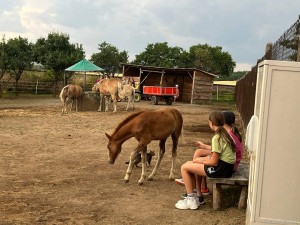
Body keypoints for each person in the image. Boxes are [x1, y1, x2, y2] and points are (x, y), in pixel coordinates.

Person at [175, 111, 236, 210]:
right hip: (227, 168)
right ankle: (197, 196)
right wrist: (201, 158)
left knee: (184, 167)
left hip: (220, 170)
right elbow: (219, 153)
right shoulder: (227, 135)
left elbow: (214, 162)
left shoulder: (217, 137)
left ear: (211, 123)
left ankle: (190, 200)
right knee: (190, 163)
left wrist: (201, 161)